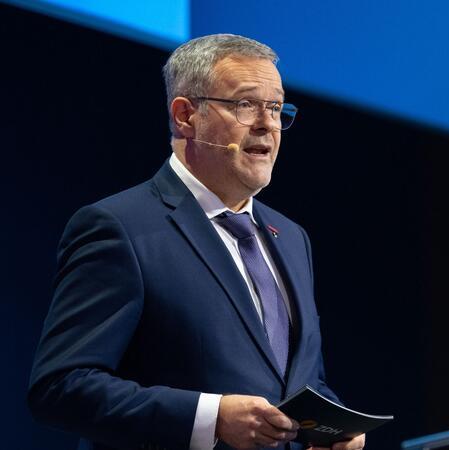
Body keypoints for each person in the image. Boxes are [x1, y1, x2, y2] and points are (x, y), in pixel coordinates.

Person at [28, 33, 366, 450]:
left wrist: (332, 431)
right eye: (245, 105)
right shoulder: (119, 227)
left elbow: (299, 381)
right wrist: (211, 418)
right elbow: (60, 386)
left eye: (276, 108)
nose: (267, 124)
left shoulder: (292, 238)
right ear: (186, 116)